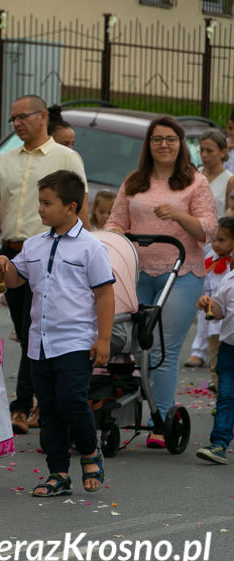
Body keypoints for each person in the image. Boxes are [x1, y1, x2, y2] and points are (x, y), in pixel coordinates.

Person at [0, 170, 114, 496]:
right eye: (39, 202)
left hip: (75, 341)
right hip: (39, 343)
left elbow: (104, 294)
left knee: (71, 399)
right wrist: (5, 265)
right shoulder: (34, 244)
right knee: (48, 408)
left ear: (71, 207)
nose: (41, 209)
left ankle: (90, 450)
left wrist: (103, 338)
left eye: (47, 203)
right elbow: (17, 280)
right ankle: (58, 473)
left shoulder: (91, 248)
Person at [0, 94, 88, 435]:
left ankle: (23, 406)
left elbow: (80, 211)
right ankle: (39, 401)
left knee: (33, 331)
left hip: (52, 253)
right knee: (27, 332)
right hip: (13, 253)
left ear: (42, 117)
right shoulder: (5, 161)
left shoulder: (66, 157)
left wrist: (79, 253)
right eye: (12, 119)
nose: (16, 124)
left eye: (22, 117)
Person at [105, 116, 217, 448]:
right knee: (130, 346)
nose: (163, 145)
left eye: (170, 139)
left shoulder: (195, 183)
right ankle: (122, 411)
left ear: (181, 144)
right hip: (137, 272)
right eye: (157, 139)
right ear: (148, 144)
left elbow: (208, 229)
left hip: (181, 272)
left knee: (161, 350)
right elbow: (115, 221)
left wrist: (179, 216)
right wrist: (112, 236)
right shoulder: (134, 181)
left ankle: (160, 420)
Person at [196, 256, 234, 465]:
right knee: (226, 397)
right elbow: (219, 312)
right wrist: (209, 304)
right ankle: (219, 443)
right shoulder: (229, 280)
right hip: (229, 349)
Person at [185, 219, 234, 381]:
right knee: (215, 357)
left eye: (222, 240)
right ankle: (218, 390)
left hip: (229, 320)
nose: (216, 244)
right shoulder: (210, 259)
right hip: (211, 313)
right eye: (213, 240)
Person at [196, 130, 234, 225]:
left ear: (222, 152)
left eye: (209, 151)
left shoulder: (229, 180)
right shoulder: (195, 173)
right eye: (201, 150)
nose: (204, 155)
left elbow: (229, 218)